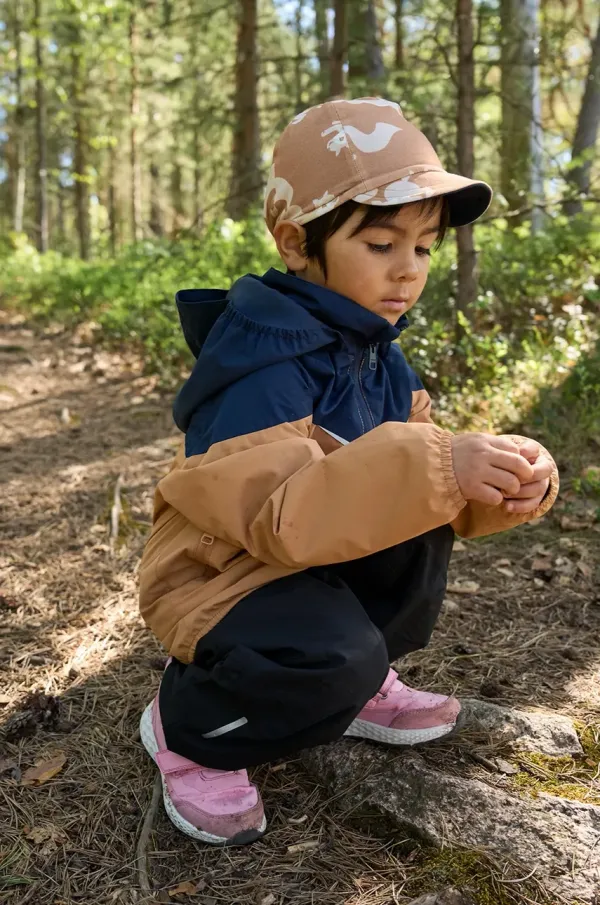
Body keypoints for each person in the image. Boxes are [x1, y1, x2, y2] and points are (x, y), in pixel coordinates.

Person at [138, 98, 559, 847]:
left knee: (423, 512)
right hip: (220, 578)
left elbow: (413, 480)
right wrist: (435, 463)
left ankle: (359, 679)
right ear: (298, 242)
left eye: (424, 248)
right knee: (338, 652)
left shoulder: (377, 351)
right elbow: (277, 515)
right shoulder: (260, 360)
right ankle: (192, 724)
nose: (408, 269)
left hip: (300, 562)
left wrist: (501, 478)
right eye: (380, 242)